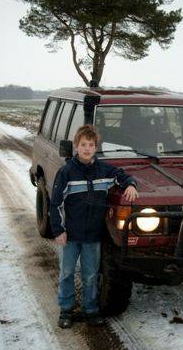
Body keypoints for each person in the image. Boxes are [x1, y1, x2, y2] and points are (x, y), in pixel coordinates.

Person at [50, 125, 138, 328]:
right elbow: (55, 204)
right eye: (83, 145)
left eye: (91, 145)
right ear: (76, 146)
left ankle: (91, 310)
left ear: (96, 148)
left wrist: (131, 184)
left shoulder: (104, 170)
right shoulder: (66, 172)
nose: (87, 149)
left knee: (90, 275)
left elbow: (122, 176)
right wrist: (58, 230)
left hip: (93, 237)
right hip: (70, 236)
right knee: (67, 273)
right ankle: (66, 310)